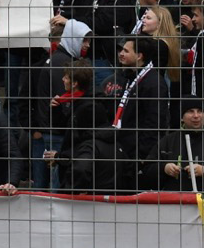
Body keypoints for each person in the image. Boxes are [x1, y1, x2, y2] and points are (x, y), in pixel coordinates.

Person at [31, 19, 91, 190]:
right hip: (58, 132)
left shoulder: (58, 59)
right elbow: (65, 102)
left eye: (88, 41)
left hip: (53, 129)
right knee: (58, 183)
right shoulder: (62, 64)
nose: (87, 45)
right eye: (83, 40)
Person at [104, 37, 171, 177]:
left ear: (139, 56)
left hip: (137, 157)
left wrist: (141, 156)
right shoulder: (128, 77)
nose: (121, 53)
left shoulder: (154, 83)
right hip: (123, 149)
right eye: (121, 50)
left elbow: (154, 124)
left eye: (126, 51)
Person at [140, 100, 204, 190]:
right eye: (190, 111)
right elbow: (147, 169)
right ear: (182, 117)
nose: (196, 116)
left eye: (200, 111)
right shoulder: (168, 141)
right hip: (173, 200)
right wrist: (164, 168)